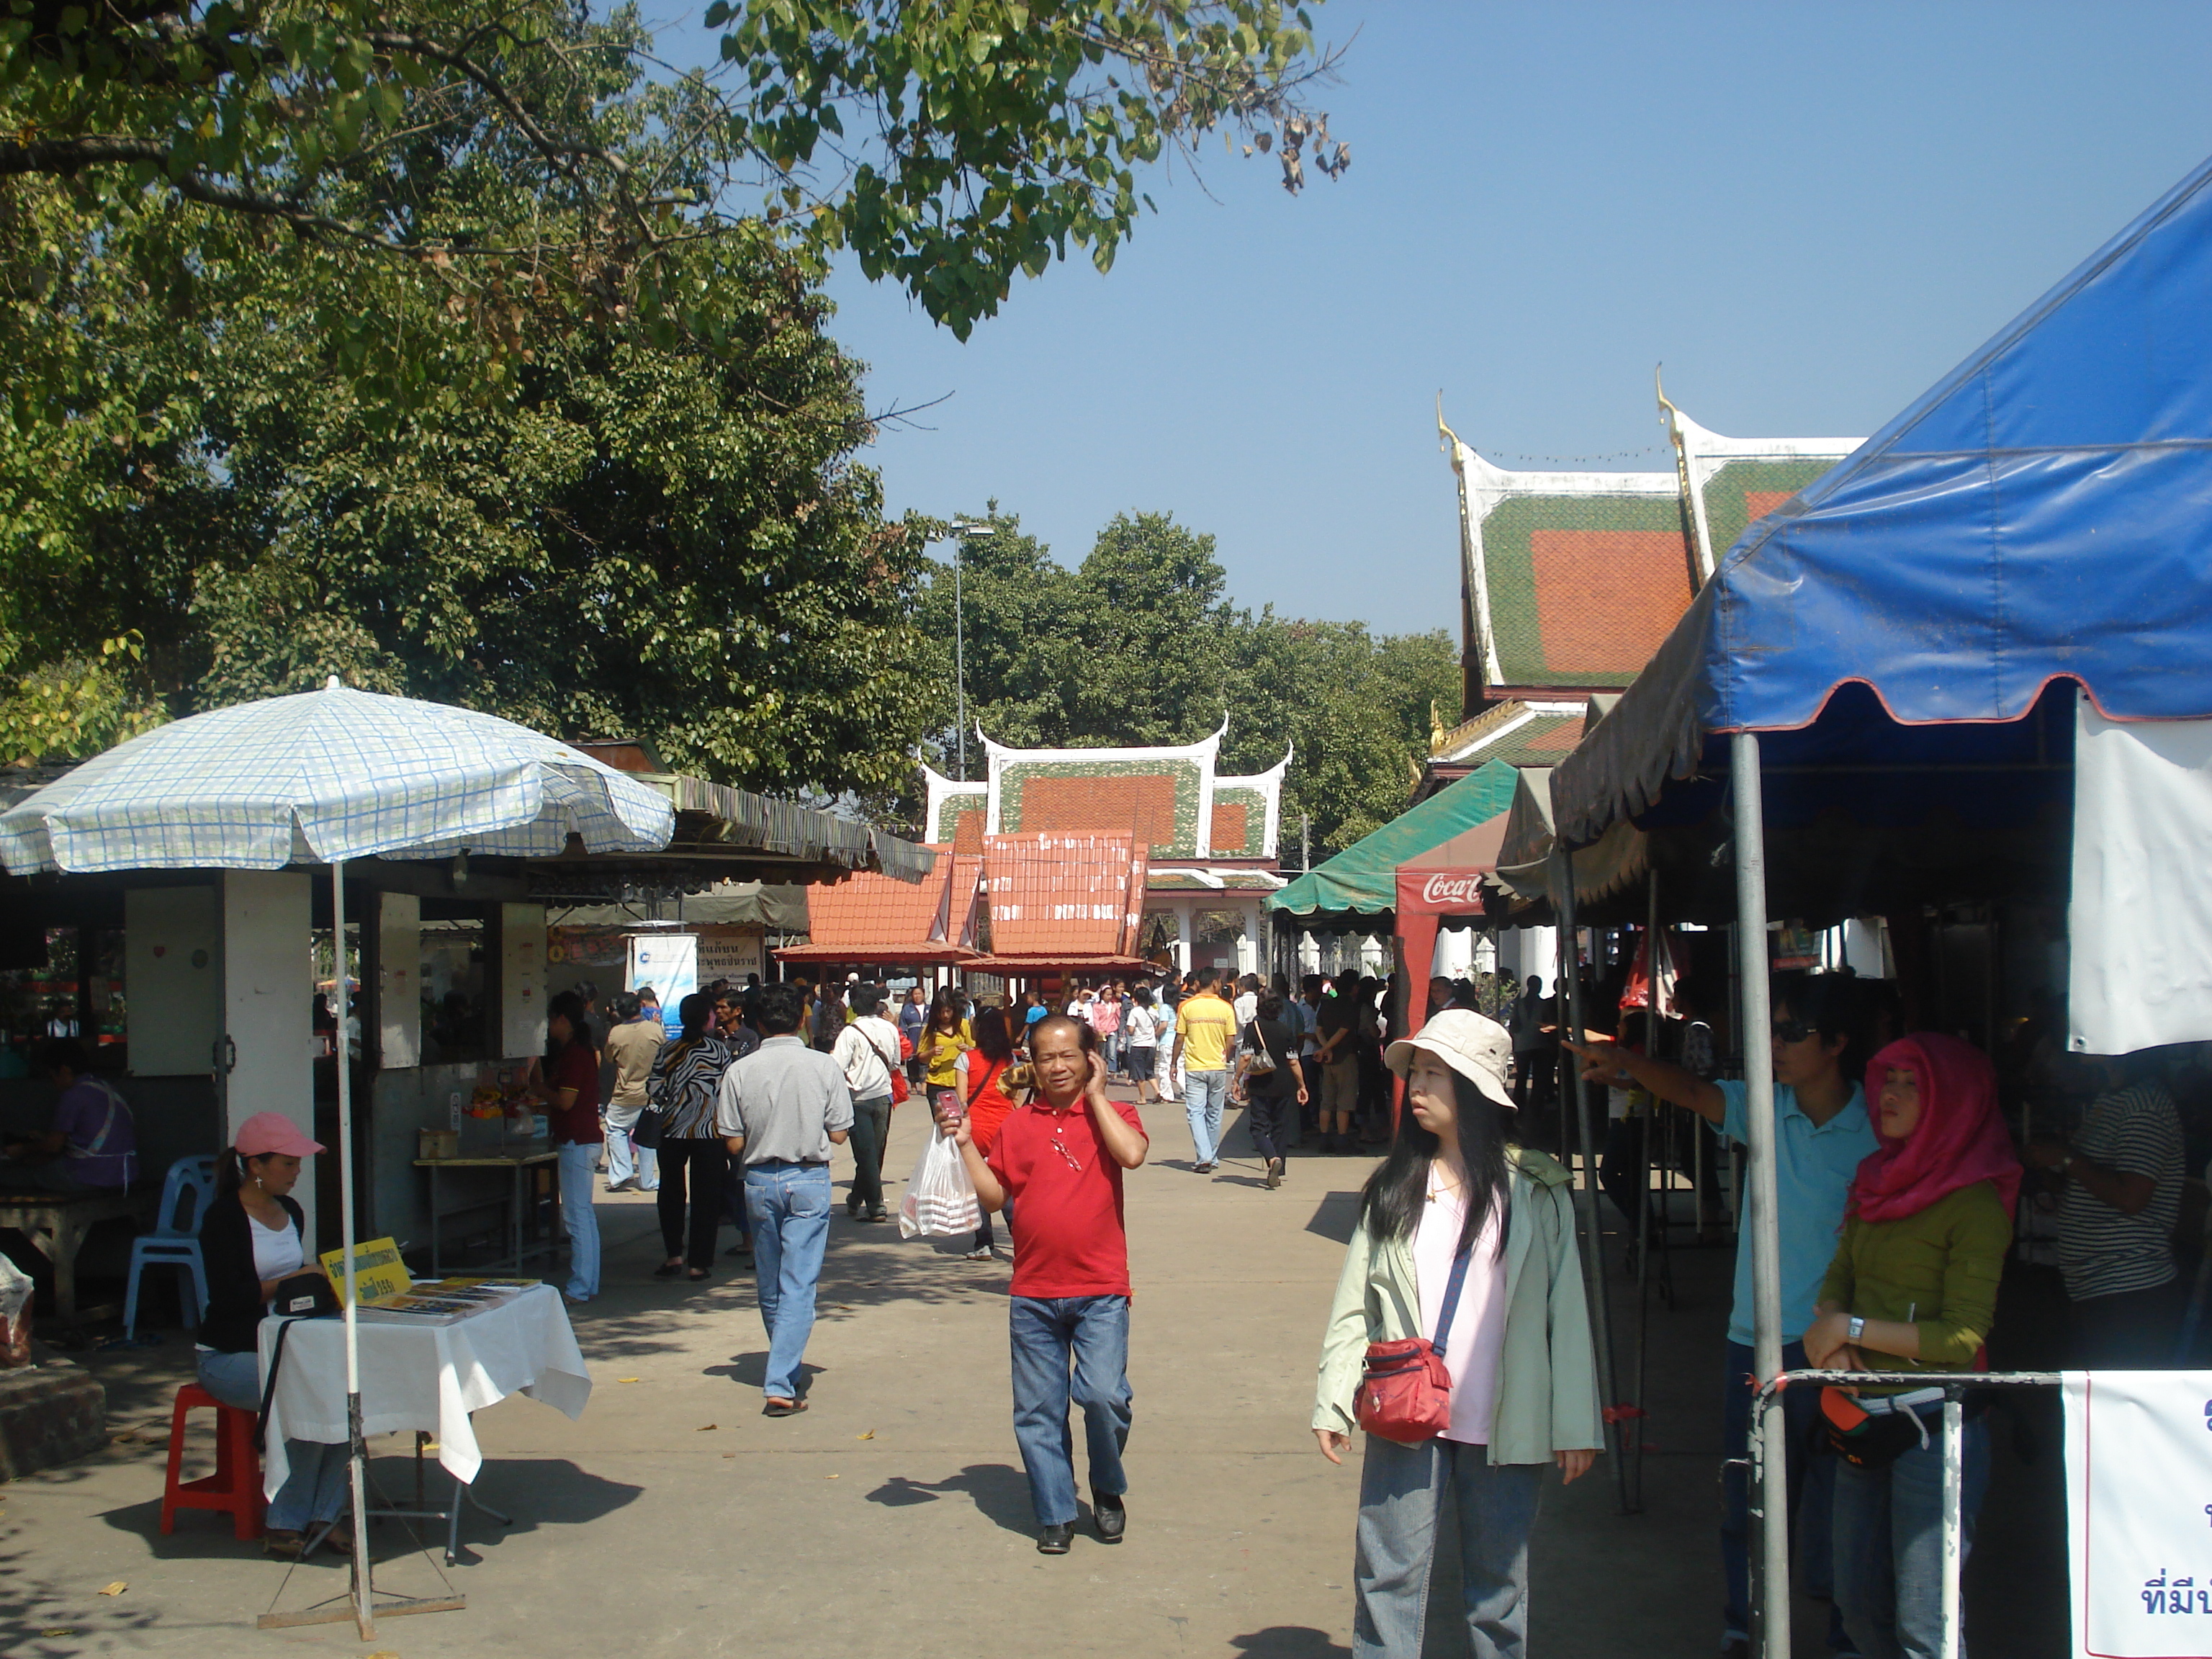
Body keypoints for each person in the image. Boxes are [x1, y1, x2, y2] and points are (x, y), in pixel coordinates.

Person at [1567, 971, 1873, 1659]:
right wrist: (1629, 1063)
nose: (1778, 1044)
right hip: (1757, 1342)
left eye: (1794, 1031)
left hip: (1847, 1351)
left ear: (1839, 1044)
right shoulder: (1764, 1107)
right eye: (1775, 1029)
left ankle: (1846, 1631)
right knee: (1748, 1493)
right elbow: (1697, 1092)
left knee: (1844, 1503)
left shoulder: (1878, 1132)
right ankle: (1744, 1624)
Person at [1313, 1010, 1601, 1658]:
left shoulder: (1536, 1189)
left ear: (1474, 1088)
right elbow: (1355, 1304)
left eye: (1434, 1073)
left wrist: (1576, 1423)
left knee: (1498, 1592)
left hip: (1509, 1423)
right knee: (1386, 1577)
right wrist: (1334, 1397)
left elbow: (1568, 1311)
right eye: (1415, 1071)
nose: (1417, 1086)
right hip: (1407, 1414)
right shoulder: (1394, 1187)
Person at [1806, 1034, 2018, 1659]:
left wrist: (1850, 1332)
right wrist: (1835, 1332)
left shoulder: (1976, 1202)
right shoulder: (1877, 1177)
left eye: (1912, 1083)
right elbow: (1838, 1278)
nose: (1890, 1094)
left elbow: (1960, 1338)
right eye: (1888, 1079)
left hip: (1936, 1424)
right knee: (1853, 1599)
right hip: (1862, 1416)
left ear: (1955, 1101)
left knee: (1925, 1623)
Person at [935, 1015, 1149, 1554]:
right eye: (1045, 1057)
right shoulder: (1017, 1125)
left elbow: (1133, 1155)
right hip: (1033, 1292)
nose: (1056, 1067)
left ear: (1090, 1058)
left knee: (1104, 1397)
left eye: (1067, 1056)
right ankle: (1054, 1510)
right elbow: (992, 1197)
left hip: (1100, 1288)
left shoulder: (1114, 1113)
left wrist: (1098, 1097)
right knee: (1037, 1410)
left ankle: (1106, 1485)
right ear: (1030, 1061)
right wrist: (964, 1146)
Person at [195, 1112, 353, 1560]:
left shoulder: (293, 1212)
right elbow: (230, 1298)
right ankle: (286, 1521)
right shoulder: (223, 1218)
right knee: (305, 1398)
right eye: (287, 1164)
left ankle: (326, 1514)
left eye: (297, 1164)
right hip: (230, 1355)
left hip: (290, 1344)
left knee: (346, 1392)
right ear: (256, 1166)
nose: (296, 1173)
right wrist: (293, 1281)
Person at [716, 982, 853, 1416]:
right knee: (798, 1285)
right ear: (802, 1019)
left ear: (757, 1022)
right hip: (809, 1178)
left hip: (758, 1180)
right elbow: (839, 1133)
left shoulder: (740, 1070)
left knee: (770, 1280)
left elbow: (733, 1143)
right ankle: (780, 1380)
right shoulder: (824, 1066)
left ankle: (783, 1368)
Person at [2026, 1050, 2185, 1366]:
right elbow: (2091, 1188)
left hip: (2130, 1289)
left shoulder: (2145, 1103)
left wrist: (2066, 1158)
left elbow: (2131, 1197)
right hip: (2097, 1287)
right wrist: (2047, 1168)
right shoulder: (2114, 1097)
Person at [648, 993, 737, 1282]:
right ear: (707, 1018)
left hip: (672, 1130)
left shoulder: (668, 1049)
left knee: (671, 1193)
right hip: (709, 1132)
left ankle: (674, 1254)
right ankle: (698, 1262)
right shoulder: (720, 1050)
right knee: (706, 1198)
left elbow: (654, 1089)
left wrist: (676, 1101)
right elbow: (726, 1091)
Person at [532, 991, 602, 1303]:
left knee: (576, 1217)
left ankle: (579, 1286)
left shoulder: (575, 1055)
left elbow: (565, 1101)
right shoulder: (579, 1052)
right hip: (582, 1137)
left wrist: (537, 1086)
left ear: (561, 1019)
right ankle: (588, 1283)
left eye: (550, 1019)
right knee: (583, 1216)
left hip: (577, 1141)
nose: (549, 1027)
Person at [0, 1039, 137, 1192]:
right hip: (125, 1175)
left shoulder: (73, 1095)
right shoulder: (108, 1089)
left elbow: (53, 1147)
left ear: (64, 1070)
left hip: (92, 1177)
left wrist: (22, 1149)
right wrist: (43, 1138)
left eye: (52, 1076)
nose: (53, 1083)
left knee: (18, 1176)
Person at [832, 984, 902, 1224]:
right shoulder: (890, 1028)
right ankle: (856, 1199)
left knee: (865, 1154)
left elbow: (836, 1065)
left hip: (857, 1098)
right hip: (883, 1096)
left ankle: (875, 1206)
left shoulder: (850, 1033)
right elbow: (895, 1063)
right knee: (874, 1153)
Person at [956, 1007, 1020, 1261]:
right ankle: (1020, 1238)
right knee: (1007, 1185)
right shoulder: (1009, 1060)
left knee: (979, 1185)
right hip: (1005, 1128)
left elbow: (961, 1101)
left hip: (976, 1129)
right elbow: (1015, 1097)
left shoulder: (966, 1059)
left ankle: (983, 1242)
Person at [1172, 967, 1238, 1175]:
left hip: (1195, 1067)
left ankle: (1205, 1157)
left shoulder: (1186, 1007)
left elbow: (1180, 1038)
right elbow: (1231, 1040)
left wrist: (1173, 1063)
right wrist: (1224, 1057)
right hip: (1218, 1067)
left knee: (1196, 1113)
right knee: (1214, 1114)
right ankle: (1211, 1156)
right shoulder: (1226, 1008)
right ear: (1216, 983)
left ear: (1199, 983)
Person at [601, 992, 665, 1195]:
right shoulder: (655, 1030)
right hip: (651, 1094)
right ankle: (647, 1180)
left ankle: (621, 1172)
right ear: (640, 1006)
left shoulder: (616, 1033)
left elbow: (609, 1058)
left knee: (615, 1129)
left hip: (625, 1093)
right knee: (647, 1138)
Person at [1242, 992, 1305, 1189]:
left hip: (1261, 1085)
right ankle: (1278, 1169)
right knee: (1280, 1128)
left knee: (1258, 1128)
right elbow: (1293, 1061)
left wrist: (1236, 1080)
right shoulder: (1286, 1030)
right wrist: (1302, 1085)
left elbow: (1245, 1058)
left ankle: (1271, 1159)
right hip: (1285, 1084)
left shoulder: (1253, 1028)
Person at [1314, 979, 1361, 1154]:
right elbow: (1343, 1031)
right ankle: (1342, 1140)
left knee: (1326, 1100)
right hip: (1345, 1056)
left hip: (1328, 1060)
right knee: (1344, 1101)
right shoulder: (1351, 1006)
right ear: (1354, 988)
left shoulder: (1326, 1005)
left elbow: (1318, 1029)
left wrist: (1325, 1049)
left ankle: (1324, 1139)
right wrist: (1328, 1048)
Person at [918, 991, 975, 1112]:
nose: (945, 1015)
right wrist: (931, 1053)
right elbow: (921, 1057)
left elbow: (975, 1050)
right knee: (941, 1123)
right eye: (941, 1012)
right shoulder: (929, 1030)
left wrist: (968, 1049)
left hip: (960, 1082)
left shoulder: (963, 1025)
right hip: (937, 1083)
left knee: (959, 1122)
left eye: (948, 1011)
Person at [1123, 986, 1162, 1104]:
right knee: (1149, 1071)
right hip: (1151, 1044)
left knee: (1139, 1072)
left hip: (1138, 1044)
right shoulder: (1154, 1011)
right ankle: (1157, 1091)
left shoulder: (1135, 1011)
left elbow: (1130, 1029)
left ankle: (1142, 1098)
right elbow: (1156, 1027)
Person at [898, 986, 930, 1089]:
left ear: (923, 995)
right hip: (912, 1038)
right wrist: (905, 1038)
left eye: (919, 994)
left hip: (926, 1039)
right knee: (912, 1062)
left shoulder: (930, 1008)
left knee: (925, 1062)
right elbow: (903, 1025)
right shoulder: (907, 1009)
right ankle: (913, 1085)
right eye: (915, 994)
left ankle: (924, 1084)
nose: (917, 996)